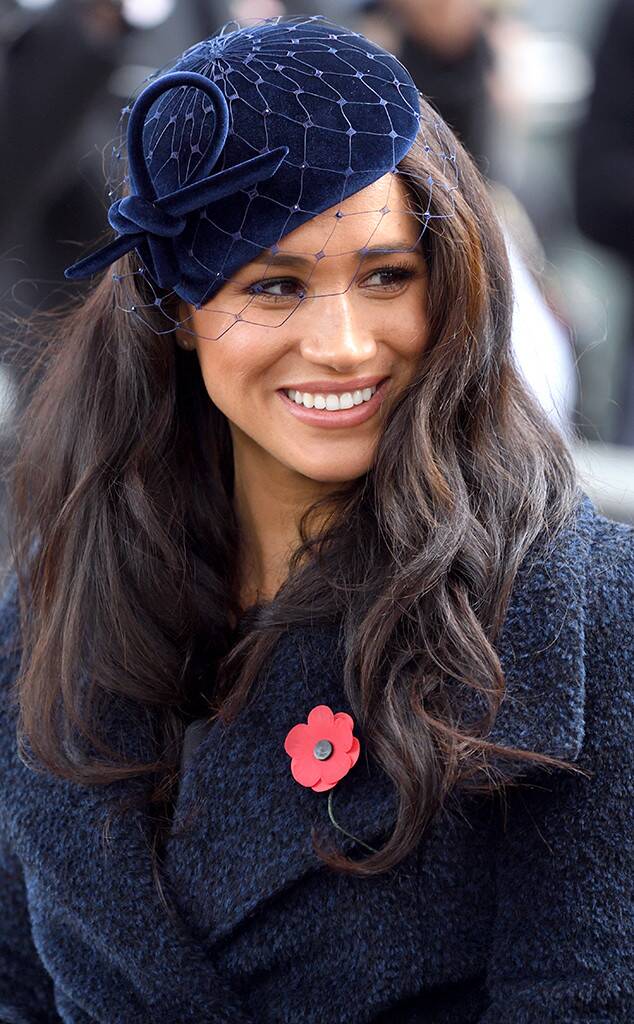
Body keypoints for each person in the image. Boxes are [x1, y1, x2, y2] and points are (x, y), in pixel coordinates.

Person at [0, 13, 632, 1024]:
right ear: (180, 312)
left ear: (454, 281)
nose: (342, 343)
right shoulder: (53, 605)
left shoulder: (584, 615)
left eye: (387, 275)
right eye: (274, 284)